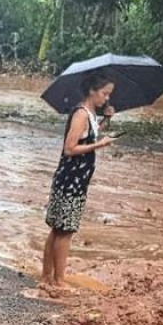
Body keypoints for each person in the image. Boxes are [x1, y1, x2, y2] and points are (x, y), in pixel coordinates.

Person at [41, 73, 117, 294]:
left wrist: (106, 121)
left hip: (74, 179)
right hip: (71, 180)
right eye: (104, 93)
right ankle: (58, 280)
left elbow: (88, 137)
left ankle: (47, 277)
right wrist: (99, 146)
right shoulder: (81, 114)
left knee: (58, 229)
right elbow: (70, 148)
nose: (106, 98)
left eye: (109, 94)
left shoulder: (90, 114)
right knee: (65, 231)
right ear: (92, 91)